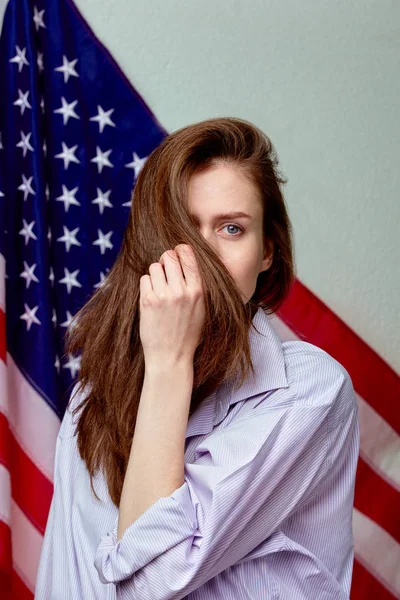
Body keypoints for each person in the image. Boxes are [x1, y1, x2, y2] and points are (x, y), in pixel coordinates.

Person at [34, 116, 360, 599]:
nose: (202, 257)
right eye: (183, 229)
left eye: (232, 228)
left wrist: (168, 364)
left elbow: (150, 580)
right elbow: (66, 581)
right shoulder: (93, 399)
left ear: (267, 251)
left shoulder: (308, 391)